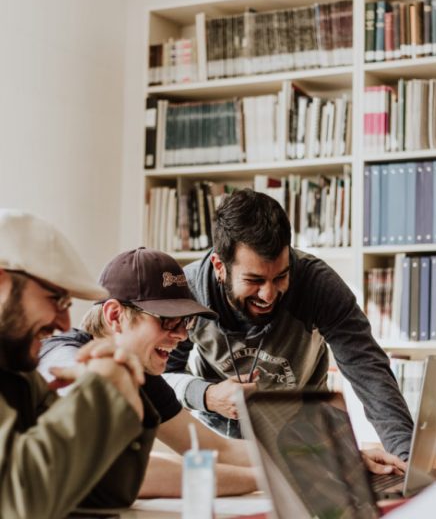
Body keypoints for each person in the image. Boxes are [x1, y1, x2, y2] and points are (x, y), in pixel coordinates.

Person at [164, 188, 414, 462]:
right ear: (219, 266)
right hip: (221, 448)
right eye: (254, 281)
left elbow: (369, 372)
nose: (268, 294)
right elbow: (162, 377)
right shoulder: (188, 292)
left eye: (281, 276)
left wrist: (406, 460)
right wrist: (207, 395)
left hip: (305, 445)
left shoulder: (318, 285)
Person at [39, 247, 259, 497]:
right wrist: (265, 479)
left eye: (185, 322)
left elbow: (215, 449)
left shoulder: (141, 374)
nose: (182, 335)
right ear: (115, 315)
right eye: (168, 320)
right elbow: (121, 470)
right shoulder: (63, 357)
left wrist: (297, 458)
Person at [0, 209, 158, 519]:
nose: (65, 323)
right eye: (56, 300)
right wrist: (102, 391)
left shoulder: (18, 371)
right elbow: (18, 505)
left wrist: (124, 388)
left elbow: (99, 495)